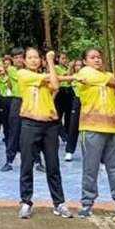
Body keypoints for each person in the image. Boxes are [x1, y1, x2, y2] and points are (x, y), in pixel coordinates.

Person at [75, 49, 115, 221]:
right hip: (91, 128)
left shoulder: (110, 75)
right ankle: (87, 203)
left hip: (114, 129)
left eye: (99, 57)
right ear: (85, 61)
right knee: (90, 168)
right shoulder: (84, 73)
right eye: (92, 57)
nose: (97, 60)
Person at [14, 49, 72, 219]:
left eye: (36, 57)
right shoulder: (23, 74)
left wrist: (50, 62)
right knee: (27, 164)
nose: (33, 60)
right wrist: (53, 66)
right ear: (24, 61)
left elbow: (55, 85)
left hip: (50, 126)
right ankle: (26, 202)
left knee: (53, 165)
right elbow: (54, 82)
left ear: (41, 61)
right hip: (30, 123)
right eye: (30, 57)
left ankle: (59, 203)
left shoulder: (47, 76)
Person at [64, 59, 84, 160]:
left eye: (80, 65)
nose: (78, 67)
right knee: (73, 126)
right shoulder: (73, 76)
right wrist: (69, 67)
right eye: (76, 65)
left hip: (89, 101)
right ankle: (69, 151)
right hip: (77, 100)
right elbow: (67, 80)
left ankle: (95, 155)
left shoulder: (88, 75)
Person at [53, 51, 75, 144]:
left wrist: (70, 68)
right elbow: (66, 77)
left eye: (66, 58)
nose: (65, 60)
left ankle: (67, 134)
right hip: (60, 91)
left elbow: (70, 81)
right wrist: (70, 67)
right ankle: (62, 134)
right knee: (58, 115)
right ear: (57, 59)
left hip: (69, 91)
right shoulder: (56, 68)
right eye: (62, 58)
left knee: (69, 114)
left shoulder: (67, 68)